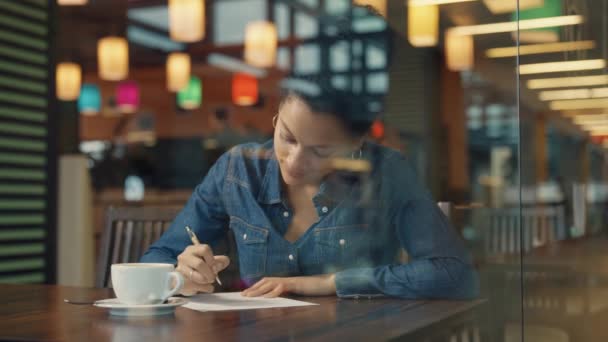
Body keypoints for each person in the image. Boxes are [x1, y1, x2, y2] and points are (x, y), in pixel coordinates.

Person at [141, 82, 479, 299]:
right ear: (275, 119)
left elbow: (453, 271)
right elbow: (154, 261)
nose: (295, 163)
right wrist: (181, 273)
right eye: (287, 138)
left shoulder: (387, 172)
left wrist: (331, 282)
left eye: (321, 151)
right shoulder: (237, 170)